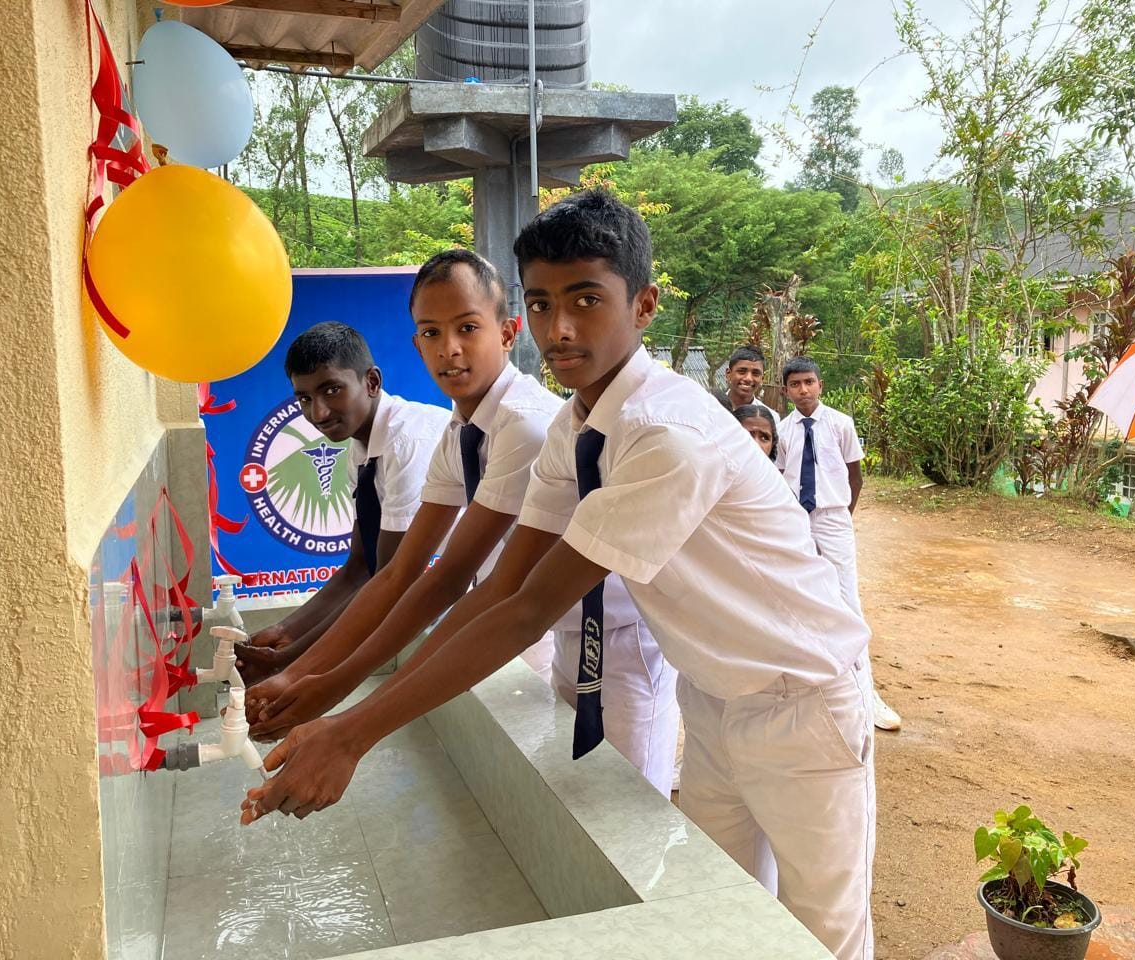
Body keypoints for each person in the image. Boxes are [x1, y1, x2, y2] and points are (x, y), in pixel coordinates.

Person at [241, 191, 876, 960]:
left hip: (803, 699)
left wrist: (350, 730)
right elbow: (496, 589)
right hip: (716, 698)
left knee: (822, 936)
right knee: (725, 922)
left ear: (642, 305)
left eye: (586, 301)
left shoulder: (663, 434)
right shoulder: (576, 427)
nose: (560, 329)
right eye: (542, 304)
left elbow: (529, 608)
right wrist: (333, 702)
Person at [245, 250, 679, 795]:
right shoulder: (461, 432)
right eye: (430, 332)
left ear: (506, 332)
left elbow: (477, 584)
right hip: (554, 628)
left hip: (608, 637)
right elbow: (407, 574)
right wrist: (310, 680)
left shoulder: (525, 426)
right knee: (578, 797)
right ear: (415, 345)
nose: (448, 349)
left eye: (467, 327)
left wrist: (341, 708)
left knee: (631, 806)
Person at [234, 322, 448, 684]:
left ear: (372, 382)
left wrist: (290, 659)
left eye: (331, 390)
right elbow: (360, 567)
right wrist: (285, 633)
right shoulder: (360, 450)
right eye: (303, 398)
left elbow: (392, 579)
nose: (317, 413)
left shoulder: (409, 443)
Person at [775, 357, 902, 733]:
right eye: (795, 384)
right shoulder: (782, 431)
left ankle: (867, 694)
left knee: (847, 602)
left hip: (832, 517)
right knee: (798, 598)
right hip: (797, 521)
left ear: (820, 385)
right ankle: (810, 687)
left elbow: (854, 476)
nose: (803, 390)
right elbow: (781, 476)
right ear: (786, 390)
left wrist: (842, 515)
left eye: (809, 382)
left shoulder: (841, 424)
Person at [723, 345, 776, 412]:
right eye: (742, 371)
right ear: (728, 374)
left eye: (755, 373)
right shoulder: (710, 409)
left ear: (762, 379)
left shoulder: (770, 417)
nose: (748, 379)